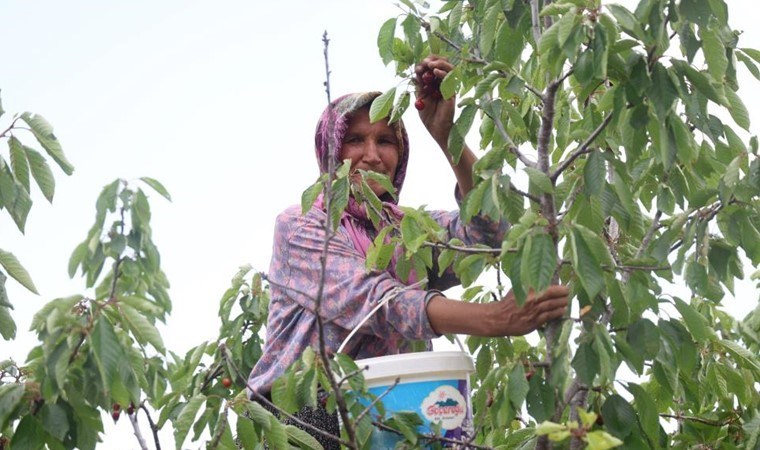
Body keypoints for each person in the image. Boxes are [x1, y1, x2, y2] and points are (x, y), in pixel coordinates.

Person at [247, 55, 569, 448]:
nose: (372, 154)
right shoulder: (301, 224)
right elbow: (373, 301)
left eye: (385, 141)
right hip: (304, 416)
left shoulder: (407, 232)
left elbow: (490, 233)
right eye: (354, 140)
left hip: (394, 407)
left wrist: (447, 135)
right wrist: (494, 318)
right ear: (330, 150)